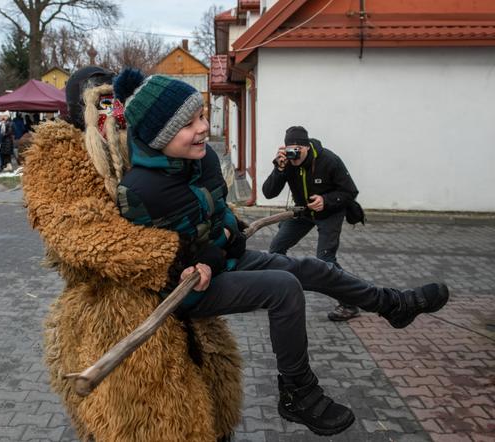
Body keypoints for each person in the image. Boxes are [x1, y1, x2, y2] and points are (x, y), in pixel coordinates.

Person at [113, 68, 450, 436]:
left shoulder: (204, 158)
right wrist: (207, 251)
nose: (203, 127)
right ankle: (297, 394)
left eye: (202, 116)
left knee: (309, 267)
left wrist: (223, 236)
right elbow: (155, 256)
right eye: (188, 123)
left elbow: (221, 218)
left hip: (225, 258)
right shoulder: (141, 190)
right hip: (190, 290)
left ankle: (391, 305)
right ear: (159, 134)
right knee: (283, 288)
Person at [22, 66, 243, 442]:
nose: (109, 109)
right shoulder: (58, 155)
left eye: (114, 100)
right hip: (110, 309)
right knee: (138, 414)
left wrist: (221, 227)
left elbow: (192, 193)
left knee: (211, 398)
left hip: (177, 297)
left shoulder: (139, 142)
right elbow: (81, 232)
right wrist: (171, 253)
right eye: (99, 100)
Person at [262, 126, 363, 321]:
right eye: (290, 149)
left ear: (307, 146)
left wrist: (326, 201)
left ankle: (350, 303)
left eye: (298, 149)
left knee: (325, 260)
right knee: (276, 249)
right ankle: (272, 294)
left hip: (330, 212)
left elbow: (350, 192)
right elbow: (268, 192)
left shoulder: (329, 160)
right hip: (303, 211)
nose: (294, 155)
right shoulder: (288, 162)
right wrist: (279, 168)